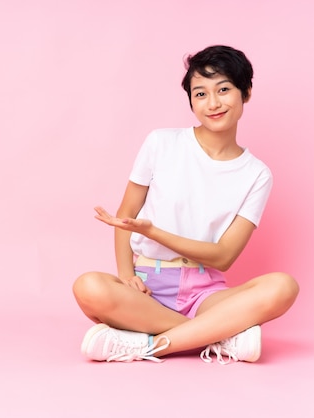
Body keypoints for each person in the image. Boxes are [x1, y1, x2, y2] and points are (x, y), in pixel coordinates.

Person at [72, 45, 299, 364]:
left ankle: (147, 346)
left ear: (245, 92)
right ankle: (218, 336)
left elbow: (223, 257)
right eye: (201, 94)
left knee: (282, 287)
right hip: (147, 288)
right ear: (191, 100)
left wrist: (154, 232)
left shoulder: (257, 174)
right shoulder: (161, 143)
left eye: (223, 89)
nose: (213, 103)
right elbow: (126, 216)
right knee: (89, 286)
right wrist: (126, 274)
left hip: (206, 295)